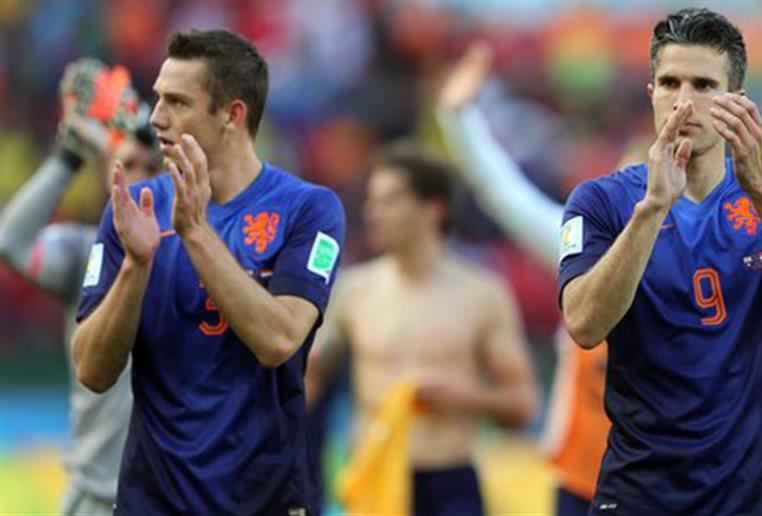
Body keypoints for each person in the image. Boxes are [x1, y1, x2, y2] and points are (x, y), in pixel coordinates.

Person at [557, 7, 762, 514]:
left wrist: (759, 185)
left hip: (758, 497)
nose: (684, 101)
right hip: (641, 495)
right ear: (650, 92)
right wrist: (652, 209)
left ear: (736, 100)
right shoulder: (600, 202)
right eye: (670, 83)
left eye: (704, 85)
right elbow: (583, 324)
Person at [71, 29, 345, 514]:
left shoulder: (308, 209)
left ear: (232, 115)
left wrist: (195, 232)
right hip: (150, 502)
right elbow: (91, 371)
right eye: (158, 98)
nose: (156, 117)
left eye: (177, 102)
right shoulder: (135, 209)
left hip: (261, 502)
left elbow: (279, 340)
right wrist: (136, 266)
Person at [305, 142, 539, 516]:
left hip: (449, 484)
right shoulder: (354, 291)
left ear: (433, 209)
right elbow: (309, 381)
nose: (372, 213)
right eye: (371, 200)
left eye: (389, 200)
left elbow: (524, 405)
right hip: (376, 480)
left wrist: (465, 398)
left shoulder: (483, 295)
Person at [436, 43, 610, 515]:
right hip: (579, 484)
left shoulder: (695, 257)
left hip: (661, 484)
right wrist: (457, 119)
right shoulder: (585, 246)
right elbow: (502, 192)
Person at [0, 57, 158, 516]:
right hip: (95, 494)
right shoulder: (86, 251)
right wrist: (69, 155)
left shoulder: (196, 255)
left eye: (154, 166)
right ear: (109, 172)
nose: (141, 178)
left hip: (169, 495)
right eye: (129, 164)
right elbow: (11, 243)